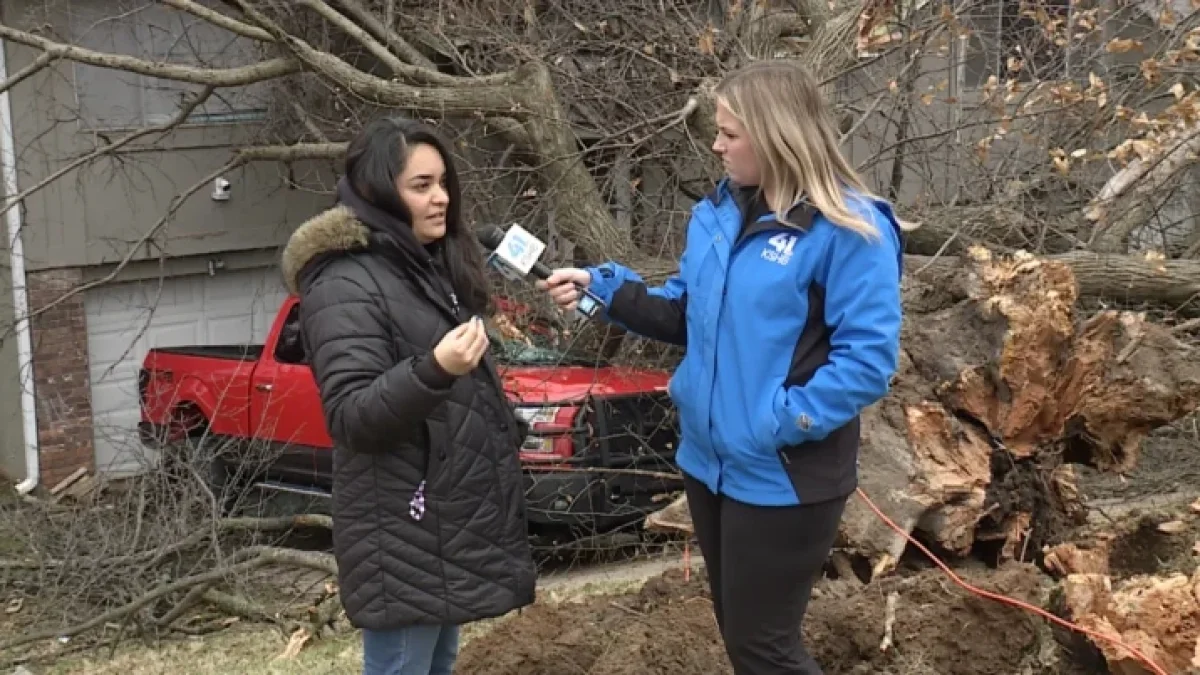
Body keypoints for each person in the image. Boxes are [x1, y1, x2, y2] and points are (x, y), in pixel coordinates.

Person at [539, 59, 908, 675]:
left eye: (729, 133)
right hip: (709, 466)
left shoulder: (850, 229)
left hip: (785, 472)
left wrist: (775, 423)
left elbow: (867, 363)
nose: (716, 146)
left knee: (765, 647)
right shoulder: (718, 213)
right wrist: (603, 290)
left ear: (776, 134)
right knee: (745, 642)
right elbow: (687, 313)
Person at [280, 115, 537, 675]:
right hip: (401, 530)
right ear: (378, 191)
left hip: (441, 524)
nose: (441, 198)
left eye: (443, 182)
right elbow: (352, 416)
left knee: (437, 662)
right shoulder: (344, 281)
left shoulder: (422, 266)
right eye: (421, 186)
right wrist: (436, 369)